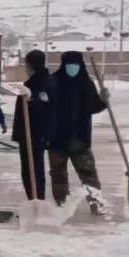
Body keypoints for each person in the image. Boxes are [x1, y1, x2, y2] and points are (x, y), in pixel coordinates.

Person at [49, 51, 110, 215]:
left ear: (81, 65)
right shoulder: (53, 82)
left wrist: (103, 100)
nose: (72, 67)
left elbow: (94, 106)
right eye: (69, 64)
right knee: (58, 176)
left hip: (80, 139)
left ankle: (96, 204)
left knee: (89, 175)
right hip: (57, 139)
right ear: (63, 64)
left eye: (75, 64)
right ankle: (62, 206)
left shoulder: (86, 83)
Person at [11, 50, 54, 201]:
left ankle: (37, 201)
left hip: (36, 134)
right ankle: (34, 199)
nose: (25, 68)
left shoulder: (44, 83)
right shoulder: (33, 83)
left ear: (31, 65)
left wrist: (31, 100)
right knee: (30, 170)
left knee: (33, 170)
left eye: (26, 65)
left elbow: (47, 107)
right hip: (30, 134)